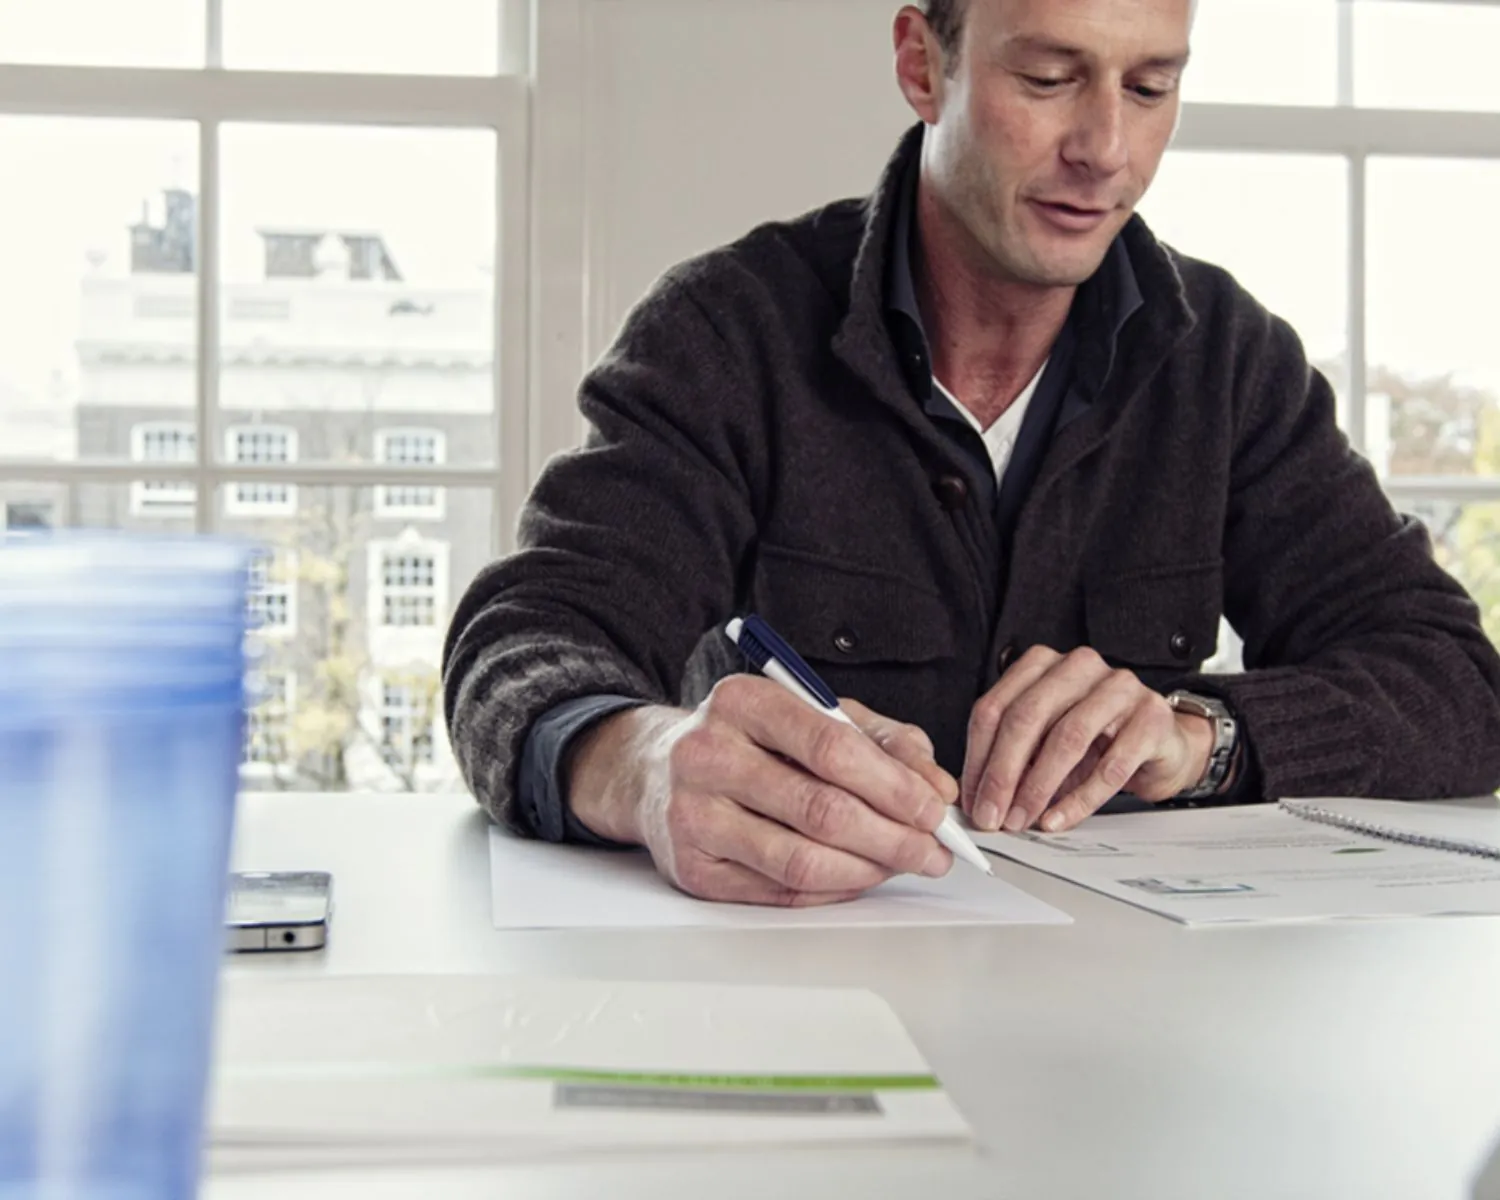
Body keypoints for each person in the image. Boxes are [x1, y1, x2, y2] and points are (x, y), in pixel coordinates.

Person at [442, 0, 1500, 907]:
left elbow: (1456, 683)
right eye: (1049, 77)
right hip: (804, 1012)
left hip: (1139, 1034)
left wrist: (1200, 737)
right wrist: (645, 763)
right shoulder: (728, 333)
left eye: (1148, 87)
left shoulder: (1228, 360)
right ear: (922, 63)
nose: (1105, 148)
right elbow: (523, 642)